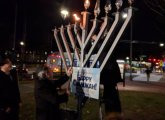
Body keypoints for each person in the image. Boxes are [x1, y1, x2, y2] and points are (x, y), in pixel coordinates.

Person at [0, 54, 21, 120]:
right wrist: (4, 107)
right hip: (6, 107)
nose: (11, 64)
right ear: (4, 65)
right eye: (9, 63)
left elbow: (16, 88)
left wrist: (19, 100)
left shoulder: (12, 74)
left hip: (15, 104)